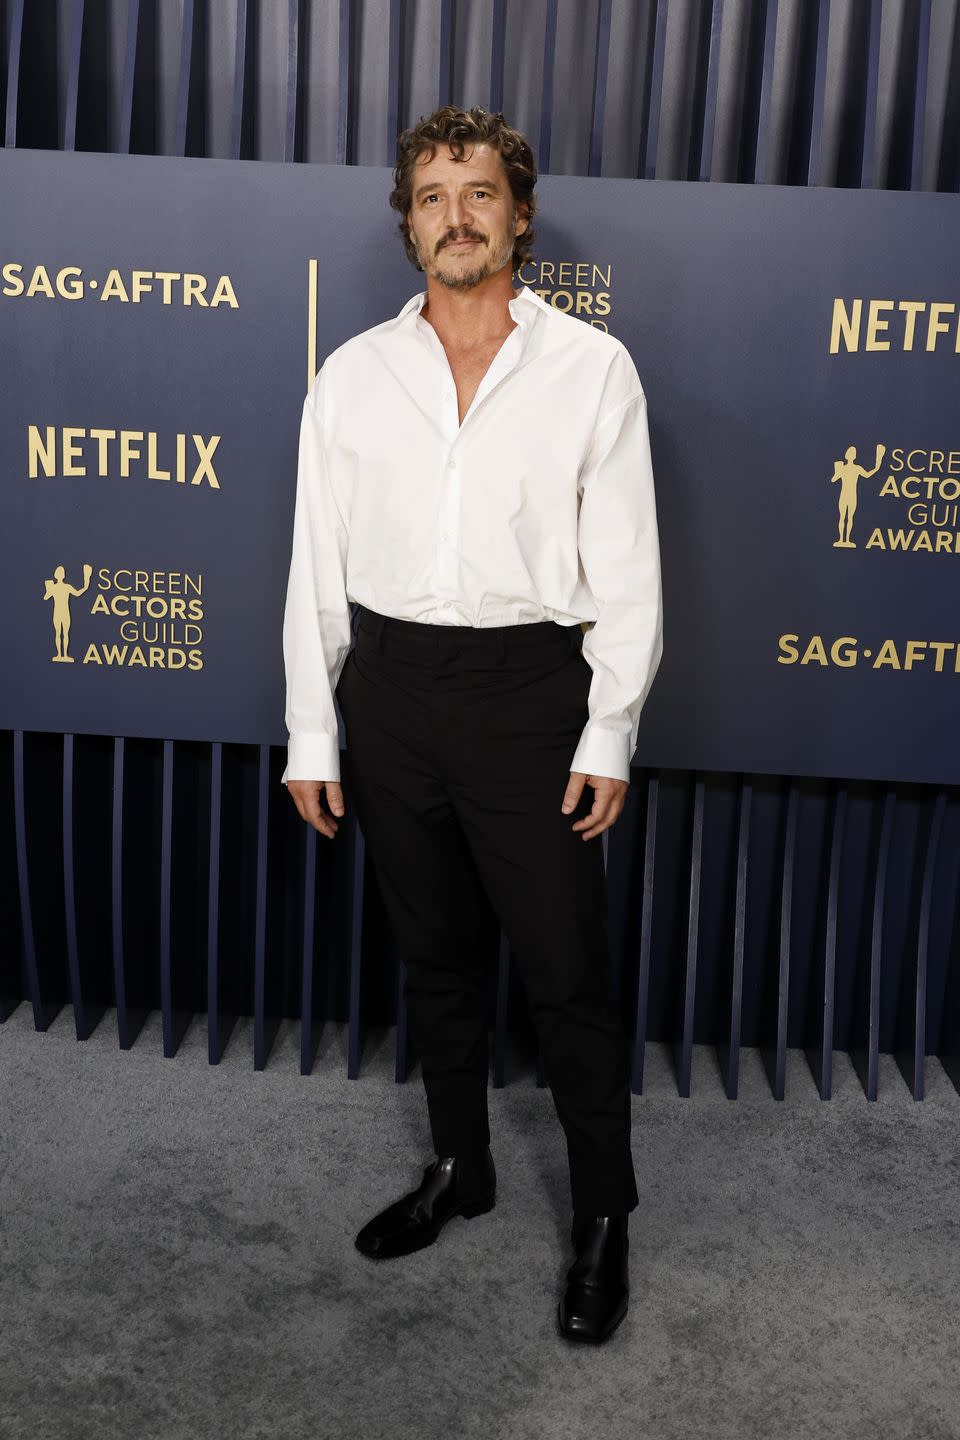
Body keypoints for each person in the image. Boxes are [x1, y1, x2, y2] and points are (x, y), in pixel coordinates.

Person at [281, 104, 663, 1344]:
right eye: (435, 195)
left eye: (480, 193)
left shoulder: (593, 369)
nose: (458, 215)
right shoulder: (351, 374)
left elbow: (631, 573)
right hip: (390, 693)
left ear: (519, 214)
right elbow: (315, 573)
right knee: (434, 958)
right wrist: (314, 733)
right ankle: (461, 1168)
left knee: (568, 976)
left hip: (528, 698)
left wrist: (607, 729)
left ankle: (602, 1214)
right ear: (408, 222)